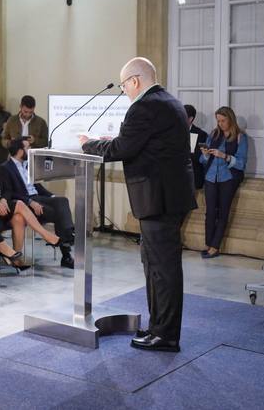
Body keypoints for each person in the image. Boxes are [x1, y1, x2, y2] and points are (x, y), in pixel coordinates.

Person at [80, 56, 196, 352]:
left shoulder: (144, 106)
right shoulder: (169, 102)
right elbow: (142, 144)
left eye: (124, 86)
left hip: (159, 199)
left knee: (162, 269)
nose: (124, 91)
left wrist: (88, 143)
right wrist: (112, 140)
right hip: (170, 196)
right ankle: (159, 328)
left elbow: (122, 148)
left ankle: (165, 335)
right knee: (156, 265)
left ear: (134, 80)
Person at [0, 145, 60, 269]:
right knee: (19, 204)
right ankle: (45, 235)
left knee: (19, 218)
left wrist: (4, 199)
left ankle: (16, 258)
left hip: (4, 205)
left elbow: (8, 190)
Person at [2, 138, 75, 269]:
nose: (30, 150)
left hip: (38, 198)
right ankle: (66, 254)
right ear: (20, 151)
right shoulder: (5, 168)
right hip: (25, 203)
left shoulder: (27, 165)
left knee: (62, 201)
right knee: (59, 214)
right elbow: (9, 193)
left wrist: (53, 197)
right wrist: (30, 201)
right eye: (27, 148)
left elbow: (38, 187)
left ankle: (67, 236)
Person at [199, 106, 248, 259]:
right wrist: (205, 154)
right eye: (218, 121)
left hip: (228, 178)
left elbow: (241, 163)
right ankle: (208, 244)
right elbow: (202, 160)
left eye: (223, 121)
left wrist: (224, 156)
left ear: (230, 119)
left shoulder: (240, 137)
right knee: (210, 212)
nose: (220, 124)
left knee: (223, 212)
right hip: (210, 177)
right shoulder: (214, 134)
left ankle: (215, 246)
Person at [184, 104, 209, 191]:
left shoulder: (202, 135)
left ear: (190, 119)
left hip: (193, 174)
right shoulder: (172, 132)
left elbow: (203, 157)